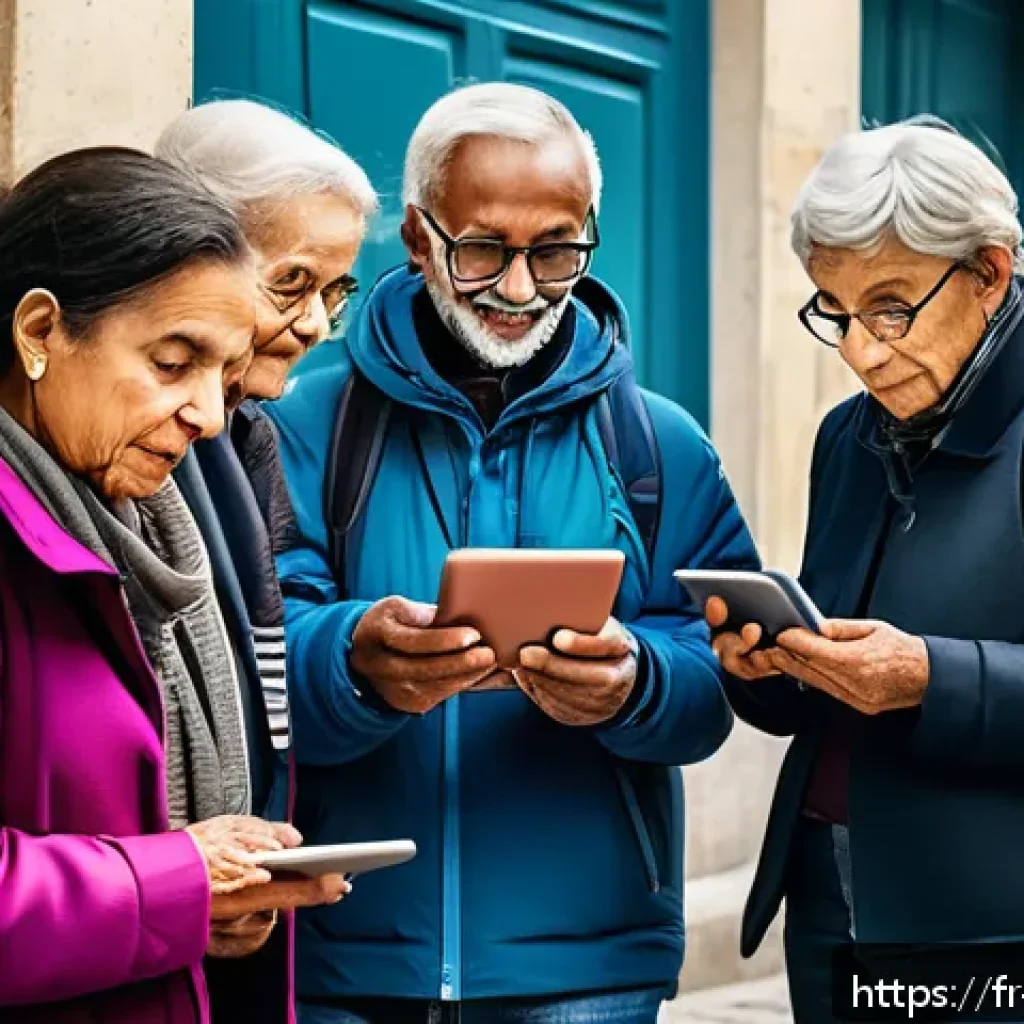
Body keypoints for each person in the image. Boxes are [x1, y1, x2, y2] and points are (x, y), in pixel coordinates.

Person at [267, 82, 758, 1024]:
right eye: (484, 248)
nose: (524, 287)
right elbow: (248, 652)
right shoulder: (304, 427)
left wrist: (637, 684)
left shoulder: (662, 445)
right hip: (347, 959)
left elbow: (719, 681)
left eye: (558, 248)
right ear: (417, 237)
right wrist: (357, 661)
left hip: (589, 969)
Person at [0, 147, 344, 1024]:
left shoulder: (142, 518)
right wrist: (176, 881)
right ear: (40, 332)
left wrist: (207, 902)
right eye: (172, 361)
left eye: (222, 373)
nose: (209, 415)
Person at [710, 121, 1024, 1022]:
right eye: (834, 312)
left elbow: (904, 674)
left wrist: (929, 678)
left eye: (890, 308)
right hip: (831, 906)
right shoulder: (844, 438)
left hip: (989, 931)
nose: (860, 351)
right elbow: (836, 670)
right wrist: (766, 668)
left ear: (989, 273)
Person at [155, 98, 377, 1022]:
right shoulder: (152, 439)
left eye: (338, 291)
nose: (320, 324)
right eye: (291, 285)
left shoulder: (249, 436)